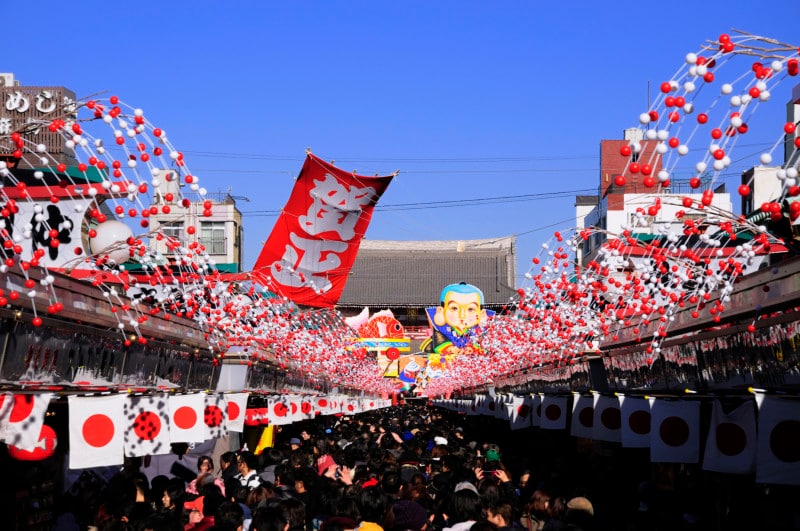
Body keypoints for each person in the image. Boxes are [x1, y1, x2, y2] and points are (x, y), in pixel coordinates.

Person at [424, 282, 494, 356]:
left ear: (482, 314)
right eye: (454, 308)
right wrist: (449, 348)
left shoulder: (480, 329)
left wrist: (473, 348)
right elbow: (439, 339)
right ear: (441, 311)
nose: (462, 315)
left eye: (470, 309)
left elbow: (484, 342)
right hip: (448, 357)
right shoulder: (442, 328)